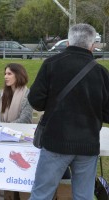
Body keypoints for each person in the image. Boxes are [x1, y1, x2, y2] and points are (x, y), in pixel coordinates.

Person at [28, 23, 109, 200]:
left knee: (41, 194)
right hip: (87, 143)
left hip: (55, 141)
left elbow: (36, 100)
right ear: (92, 45)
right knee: (83, 196)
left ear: (67, 42)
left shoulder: (51, 64)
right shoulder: (101, 73)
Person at [0, 63, 33, 200]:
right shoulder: (2, 93)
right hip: (3, 138)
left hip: (21, 140)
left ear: (19, 75)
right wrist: (2, 129)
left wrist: (7, 129)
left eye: (9, 73)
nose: (5, 76)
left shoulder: (27, 94)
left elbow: (25, 119)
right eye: (5, 73)